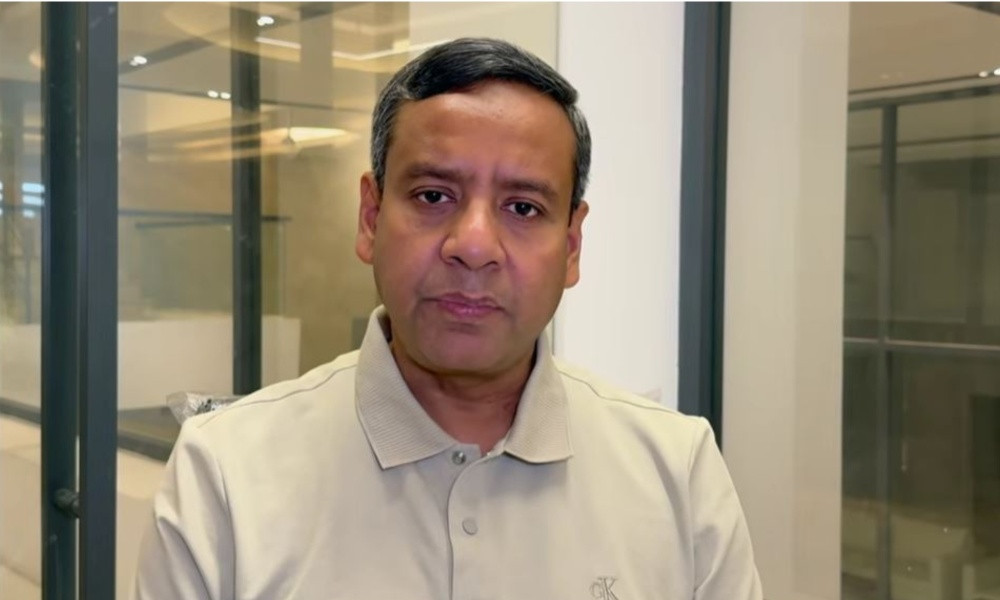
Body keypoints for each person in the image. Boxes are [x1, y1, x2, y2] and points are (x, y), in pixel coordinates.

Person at [133, 37, 762, 600]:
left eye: (523, 207)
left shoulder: (676, 472)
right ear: (371, 219)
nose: (474, 245)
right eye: (434, 196)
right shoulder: (225, 476)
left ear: (572, 246)